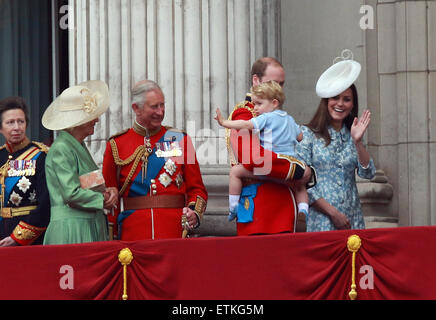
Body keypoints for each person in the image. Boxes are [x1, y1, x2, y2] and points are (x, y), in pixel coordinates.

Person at [102, 80, 208, 240]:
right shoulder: (117, 144)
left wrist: (193, 212)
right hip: (133, 234)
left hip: (173, 232)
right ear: (136, 108)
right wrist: (112, 236)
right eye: (154, 107)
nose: (161, 112)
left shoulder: (181, 139)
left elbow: (197, 189)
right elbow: (110, 198)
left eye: (162, 105)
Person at [227, 57, 315, 235]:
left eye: (282, 84)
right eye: (273, 83)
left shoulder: (281, 117)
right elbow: (254, 159)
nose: (278, 90)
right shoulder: (244, 114)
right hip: (259, 206)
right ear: (256, 81)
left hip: (285, 203)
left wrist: (307, 169)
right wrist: (297, 169)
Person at [296, 54, 376, 231]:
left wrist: (358, 142)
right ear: (326, 101)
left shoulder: (352, 135)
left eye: (347, 99)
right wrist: (333, 213)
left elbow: (368, 173)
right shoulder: (307, 134)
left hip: (352, 220)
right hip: (321, 221)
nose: (340, 104)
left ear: (352, 105)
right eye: (335, 98)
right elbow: (301, 182)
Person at [215, 80, 310, 222]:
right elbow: (301, 137)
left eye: (259, 104)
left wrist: (224, 123)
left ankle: (233, 206)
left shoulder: (266, 117)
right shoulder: (290, 119)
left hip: (272, 165)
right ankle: (303, 209)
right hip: (292, 163)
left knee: (235, 172)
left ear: (274, 103)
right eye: (254, 104)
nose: (255, 108)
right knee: (300, 185)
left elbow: (245, 124)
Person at [41, 80, 118, 245]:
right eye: (91, 116)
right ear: (76, 122)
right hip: (72, 229)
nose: (96, 120)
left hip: (86, 225)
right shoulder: (62, 148)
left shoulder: (77, 146)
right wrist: (103, 198)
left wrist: (108, 191)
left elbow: (87, 183)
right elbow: (71, 193)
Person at [0, 97, 50, 246]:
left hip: (30, 240)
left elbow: (45, 204)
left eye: (20, 121)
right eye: (10, 122)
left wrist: (18, 237)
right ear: (1, 128)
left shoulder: (40, 155)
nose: (17, 127)